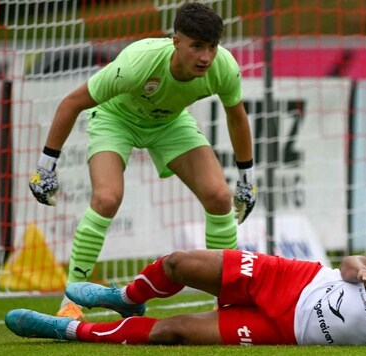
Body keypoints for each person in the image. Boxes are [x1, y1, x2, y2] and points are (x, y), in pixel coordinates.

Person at [27, 2, 256, 321]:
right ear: (176, 41)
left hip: (170, 124)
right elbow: (72, 103)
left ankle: (228, 301)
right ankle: (71, 300)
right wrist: (45, 167)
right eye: (197, 46)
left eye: (212, 47)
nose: (206, 57)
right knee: (106, 199)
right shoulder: (137, 63)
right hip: (115, 119)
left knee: (219, 198)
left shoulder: (224, 68)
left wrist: (247, 177)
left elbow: (237, 118)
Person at [5, 245, 366, 353]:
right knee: (179, 265)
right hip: (294, 280)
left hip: (290, 331)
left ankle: (65, 330)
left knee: (172, 333)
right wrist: (364, 273)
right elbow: (351, 262)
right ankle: (124, 296)